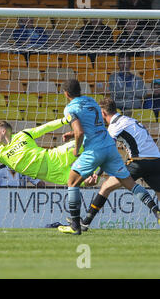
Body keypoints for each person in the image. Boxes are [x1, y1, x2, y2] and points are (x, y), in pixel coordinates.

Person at [57, 79, 154, 235]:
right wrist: (72, 133)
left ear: (66, 94)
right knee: (130, 183)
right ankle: (156, 211)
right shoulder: (92, 101)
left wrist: (76, 149)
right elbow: (93, 125)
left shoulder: (70, 108)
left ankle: (75, 225)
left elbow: (80, 132)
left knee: (72, 181)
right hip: (110, 147)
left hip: (95, 149)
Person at [75, 97, 160, 230]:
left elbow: (106, 150)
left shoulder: (115, 126)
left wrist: (97, 173)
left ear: (103, 113)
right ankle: (157, 212)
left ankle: (85, 223)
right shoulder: (130, 120)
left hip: (138, 162)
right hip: (156, 161)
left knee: (106, 187)